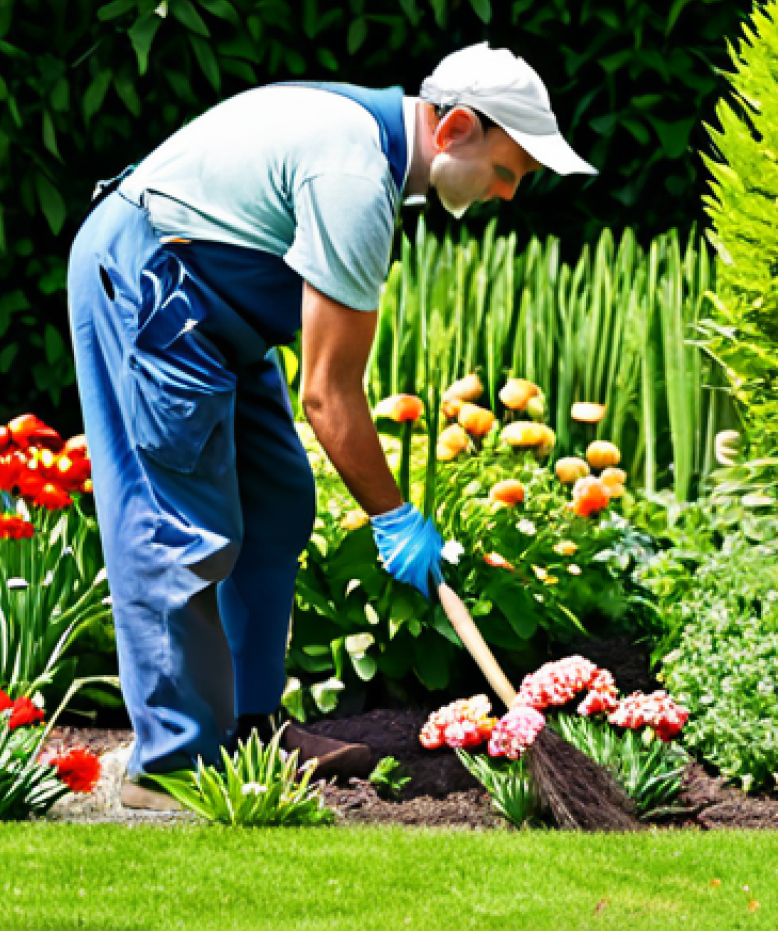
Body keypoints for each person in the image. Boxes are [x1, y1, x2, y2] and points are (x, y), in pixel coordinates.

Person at [67, 42, 596, 810]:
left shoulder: (372, 149)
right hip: (153, 284)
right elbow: (329, 395)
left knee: (279, 501)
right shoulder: (355, 177)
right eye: (508, 170)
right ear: (452, 130)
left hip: (220, 312)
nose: (509, 193)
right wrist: (394, 517)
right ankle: (173, 763)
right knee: (182, 526)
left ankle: (251, 727)